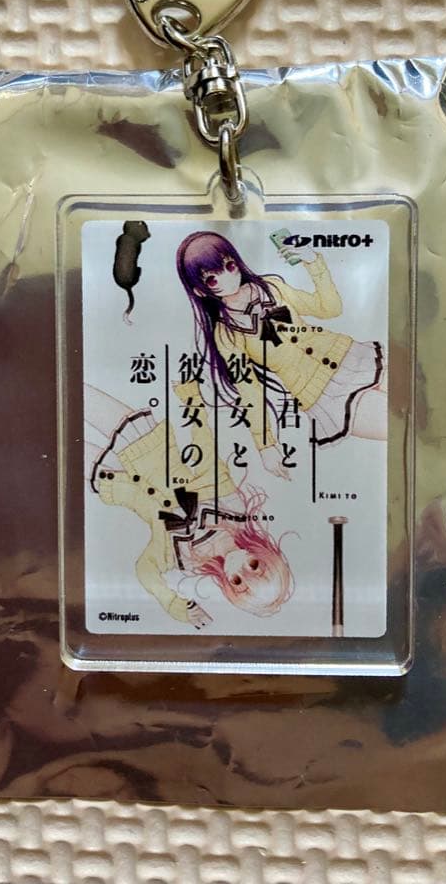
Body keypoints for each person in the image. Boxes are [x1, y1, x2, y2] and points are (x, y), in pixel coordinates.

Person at [176, 231, 386, 478]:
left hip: (352, 356)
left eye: (229, 265)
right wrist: (266, 445)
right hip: (322, 395)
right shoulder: (227, 335)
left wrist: (313, 263)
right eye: (212, 279)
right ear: (201, 291)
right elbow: (250, 391)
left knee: (417, 402)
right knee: (399, 425)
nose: (228, 276)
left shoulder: (272, 287)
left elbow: (329, 308)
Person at [85, 384, 294, 628]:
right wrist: (193, 400)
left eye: (238, 581)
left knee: (54, 442)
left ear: (228, 586)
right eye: (254, 566)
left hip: (113, 481)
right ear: (265, 555)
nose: (239, 568)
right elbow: (206, 456)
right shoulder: (232, 509)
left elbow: (145, 569)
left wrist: (174, 604)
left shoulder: (188, 561)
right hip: (144, 443)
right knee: (79, 395)